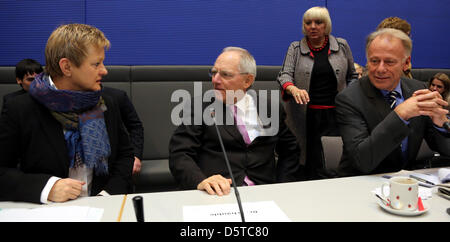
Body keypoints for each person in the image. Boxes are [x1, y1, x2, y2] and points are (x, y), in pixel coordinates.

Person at [0, 23, 134, 204]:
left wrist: (107, 195)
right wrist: (47, 188)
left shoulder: (107, 102)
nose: (104, 70)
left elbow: (125, 155)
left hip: (103, 208)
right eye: (96, 64)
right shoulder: (20, 109)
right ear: (67, 67)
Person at [169, 47, 300, 195]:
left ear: (247, 80)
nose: (215, 80)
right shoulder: (199, 107)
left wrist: (283, 185)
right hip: (218, 194)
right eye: (213, 73)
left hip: (264, 193)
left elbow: (290, 150)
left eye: (225, 75)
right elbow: (180, 154)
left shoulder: (270, 107)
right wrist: (201, 181)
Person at [335, 28, 450, 176]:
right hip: (359, 182)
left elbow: (446, 150)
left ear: (406, 63)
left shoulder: (418, 90)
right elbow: (362, 161)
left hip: (404, 183)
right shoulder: (349, 98)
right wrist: (400, 114)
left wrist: (441, 124)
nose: (380, 69)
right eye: (374, 61)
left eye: (389, 62)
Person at [277, 6, 358, 179]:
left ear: (326, 25)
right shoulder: (296, 48)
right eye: (308, 23)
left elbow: (353, 76)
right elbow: (284, 75)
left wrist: (349, 96)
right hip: (306, 115)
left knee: (332, 162)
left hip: (336, 115)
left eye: (318, 22)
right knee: (307, 161)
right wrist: (293, 88)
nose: (312, 26)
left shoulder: (342, 46)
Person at [102, 86, 144, 174]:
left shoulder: (117, 96)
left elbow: (135, 127)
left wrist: (136, 156)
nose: (103, 72)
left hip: (114, 164)